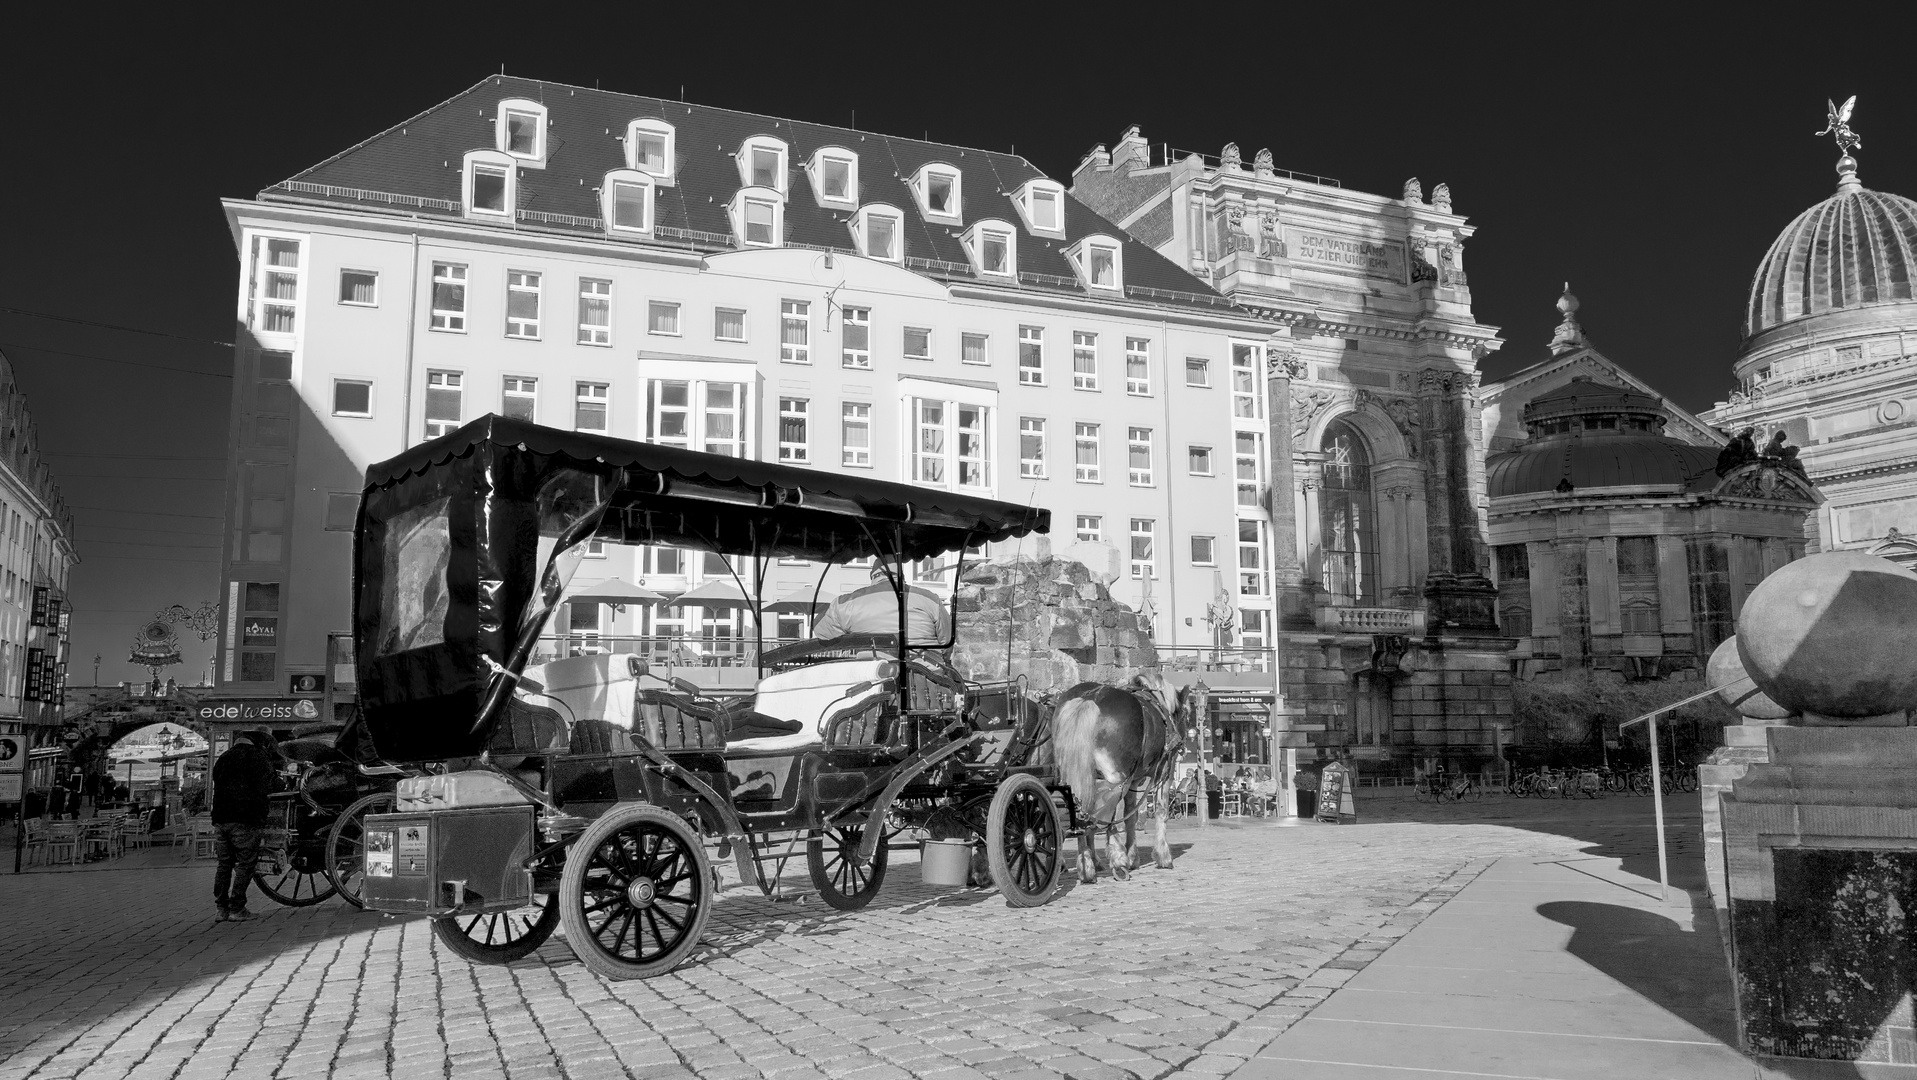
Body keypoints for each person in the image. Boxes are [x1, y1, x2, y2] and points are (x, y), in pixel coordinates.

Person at [211, 729, 277, 923]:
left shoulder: (224, 757)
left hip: (221, 817)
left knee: (224, 864)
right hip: (244, 816)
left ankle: (221, 908)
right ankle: (237, 907)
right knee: (246, 863)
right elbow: (267, 784)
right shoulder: (256, 756)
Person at [811, 561, 951, 646]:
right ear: (901, 575)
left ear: (872, 576)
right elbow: (947, 640)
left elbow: (821, 631)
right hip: (926, 679)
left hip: (872, 679)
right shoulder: (929, 598)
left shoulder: (846, 603)